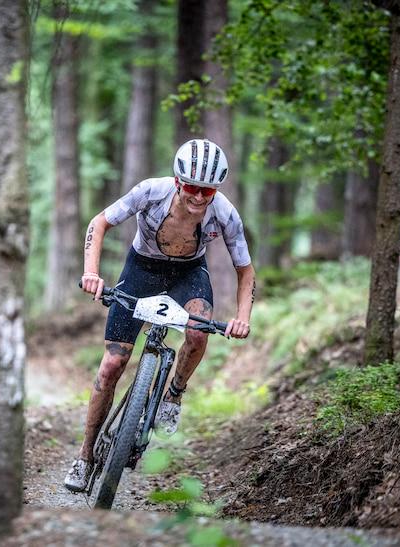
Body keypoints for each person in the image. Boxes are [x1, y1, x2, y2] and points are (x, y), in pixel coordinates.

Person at [64, 138, 256, 493]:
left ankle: (175, 393)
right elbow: (100, 222)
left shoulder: (225, 213)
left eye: (208, 191)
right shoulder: (150, 192)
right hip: (142, 269)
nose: (199, 197)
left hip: (188, 273)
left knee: (198, 333)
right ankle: (84, 456)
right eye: (192, 187)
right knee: (112, 364)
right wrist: (91, 272)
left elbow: (245, 270)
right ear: (178, 181)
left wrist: (243, 317)